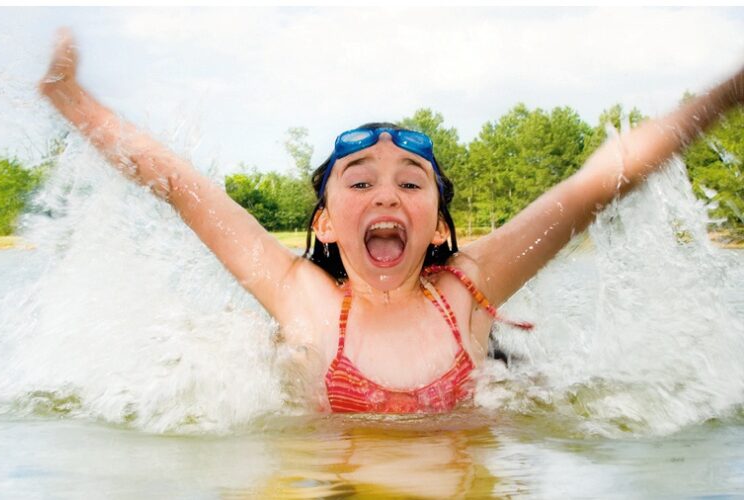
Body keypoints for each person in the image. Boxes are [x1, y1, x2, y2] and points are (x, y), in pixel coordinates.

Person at [39, 28, 744, 414]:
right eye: (361, 181)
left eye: (411, 183)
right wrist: (75, 104)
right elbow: (183, 187)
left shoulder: (467, 289)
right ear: (324, 224)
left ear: (438, 227)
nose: (385, 195)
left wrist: (722, 96)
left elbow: (596, 184)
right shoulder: (302, 298)